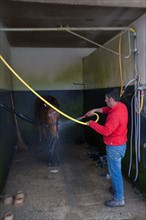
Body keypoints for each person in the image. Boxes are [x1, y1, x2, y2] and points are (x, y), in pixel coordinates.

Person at [85, 89, 128, 207]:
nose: (105, 100)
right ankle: (117, 190)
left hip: (114, 147)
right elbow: (107, 109)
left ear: (112, 99)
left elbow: (106, 131)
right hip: (121, 144)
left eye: (107, 99)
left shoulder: (116, 114)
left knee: (115, 173)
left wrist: (92, 124)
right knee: (116, 172)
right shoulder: (120, 106)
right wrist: (95, 111)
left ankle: (119, 199)